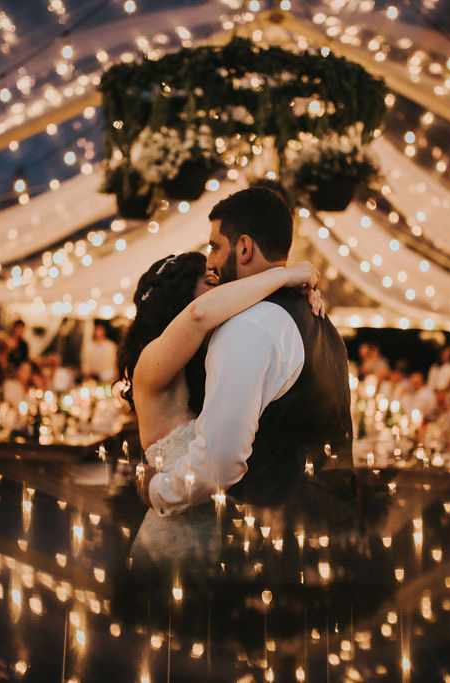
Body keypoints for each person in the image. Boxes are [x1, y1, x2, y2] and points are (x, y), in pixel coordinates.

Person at [128, 186, 353, 568]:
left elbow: (222, 459)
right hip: (196, 542)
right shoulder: (156, 361)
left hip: (254, 544)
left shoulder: (245, 331)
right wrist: (286, 276)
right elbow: (199, 316)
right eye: (212, 288)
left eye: (215, 248)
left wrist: (286, 284)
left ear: (244, 247)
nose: (214, 265)